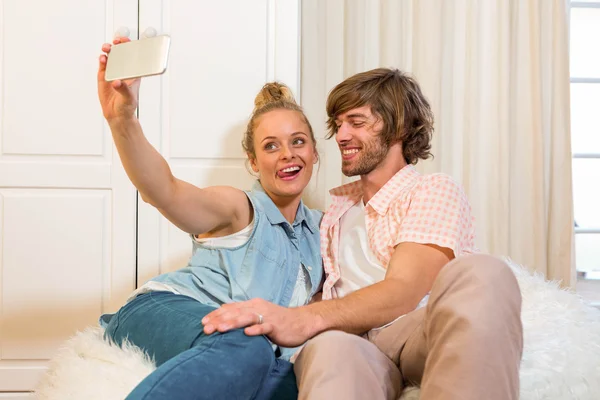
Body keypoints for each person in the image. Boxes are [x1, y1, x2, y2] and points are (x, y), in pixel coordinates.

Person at [203, 68, 524, 400]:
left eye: (356, 123)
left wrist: (303, 319)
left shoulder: (430, 190)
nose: (341, 135)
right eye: (338, 124)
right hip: (351, 342)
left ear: (397, 126)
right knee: (329, 349)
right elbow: (320, 289)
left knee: (486, 273)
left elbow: (403, 292)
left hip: (415, 331)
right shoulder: (336, 211)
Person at [96, 37, 322, 400]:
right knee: (249, 346)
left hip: (238, 344)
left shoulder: (321, 230)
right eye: (270, 145)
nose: (286, 154)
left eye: (297, 141)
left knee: (290, 380)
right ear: (253, 163)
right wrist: (122, 119)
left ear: (314, 153)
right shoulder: (240, 208)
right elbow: (165, 191)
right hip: (164, 310)